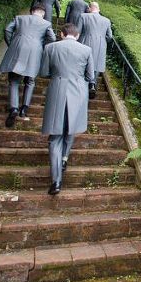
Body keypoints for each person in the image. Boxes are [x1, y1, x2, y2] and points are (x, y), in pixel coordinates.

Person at [39, 22, 96, 195]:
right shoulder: (86, 50)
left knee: (55, 136)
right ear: (77, 35)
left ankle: (56, 182)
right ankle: (64, 158)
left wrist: (58, 76)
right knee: (71, 128)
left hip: (57, 89)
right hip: (78, 92)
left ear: (62, 34)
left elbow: (43, 72)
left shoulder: (50, 47)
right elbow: (90, 76)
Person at [0, 4, 56, 128]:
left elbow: (8, 30)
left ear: (31, 11)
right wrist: (41, 47)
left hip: (18, 48)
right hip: (35, 51)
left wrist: (12, 44)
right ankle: (24, 109)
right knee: (30, 80)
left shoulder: (19, 18)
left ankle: (13, 108)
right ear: (43, 13)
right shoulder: (46, 24)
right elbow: (52, 38)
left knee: (14, 80)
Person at [76, 1, 112, 86]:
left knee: (83, 61)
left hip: (85, 42)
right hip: (101, 45)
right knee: (97, 63)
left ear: (89, 8)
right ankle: (93, 84)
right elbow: (110, 36)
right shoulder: (106, 21)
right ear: (98, 9)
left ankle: (81, 84)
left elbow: (77, 32)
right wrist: (102, 40)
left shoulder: (83, 16)